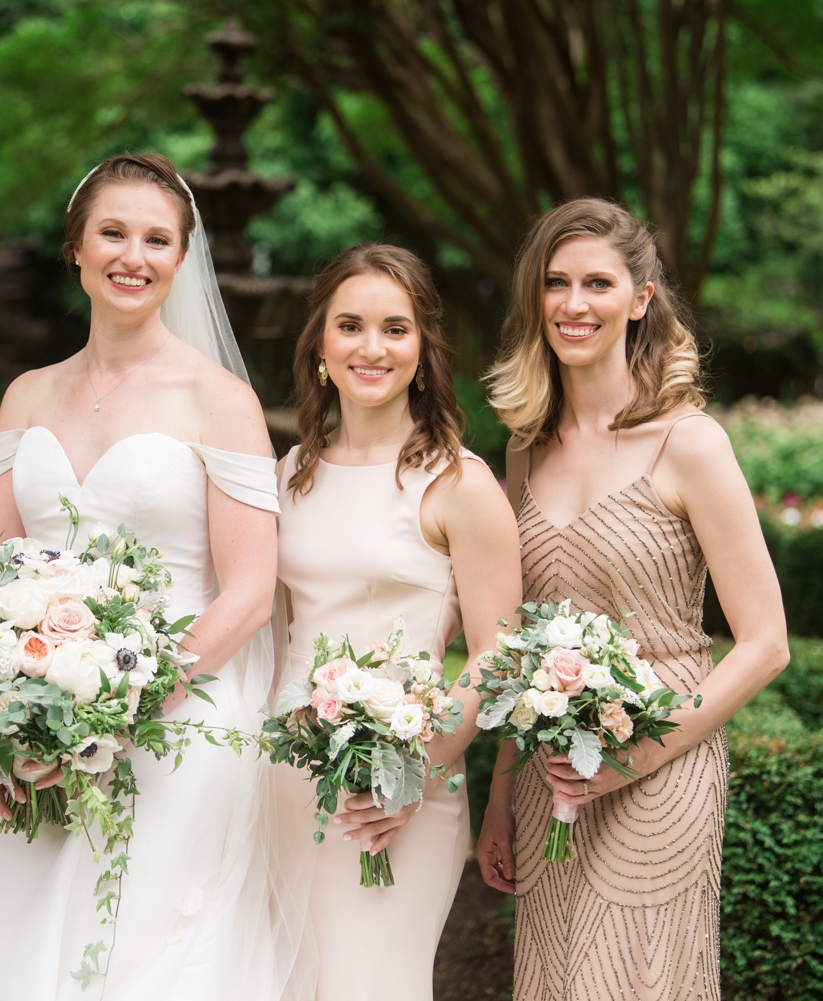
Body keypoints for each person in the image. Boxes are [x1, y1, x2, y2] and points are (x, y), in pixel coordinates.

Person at [0, 153, 286, 1001]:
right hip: (33, 714)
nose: (132, 256)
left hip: (177, 711)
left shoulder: (220, 400)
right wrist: (5, 707)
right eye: (113, 232)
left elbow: (250, 593)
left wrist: (116, 709)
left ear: (182, 259)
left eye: (156, 239)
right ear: (76, 246)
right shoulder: (28, 394)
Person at [474, 198, 789, 1001]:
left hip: (663, 769)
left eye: (597, 283)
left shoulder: (690, 443)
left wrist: (639, 754)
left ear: (641, 298)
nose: (574, 305)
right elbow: (518, 642)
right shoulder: (525, 447)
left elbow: (765, 642)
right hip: (553, 772)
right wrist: (503, 792)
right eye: (556, 283)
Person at [272, 243, 522, 1000]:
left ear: (422, 349)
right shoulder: (290, 472)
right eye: (350, 325)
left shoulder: (459, 482)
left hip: (404, 788)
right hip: (285, 780)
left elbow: (498, 656)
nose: (371, 347)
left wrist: (411, 777)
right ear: (321, 342)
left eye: (395, 328)